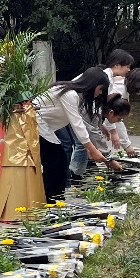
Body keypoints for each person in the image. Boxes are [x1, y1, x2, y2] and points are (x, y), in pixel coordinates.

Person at [35, 68, 119, 200]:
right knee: (57, 163)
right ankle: (51, 201)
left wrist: (91, 147)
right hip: (36, 124)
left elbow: (84, 122)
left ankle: (54, 199)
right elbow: (77, 124)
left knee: (58, 163)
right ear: (92, 84)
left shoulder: (78, 96)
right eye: (100, 89)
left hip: (44, 128)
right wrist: (93, 150)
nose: (100, 93)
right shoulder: (70, 94)